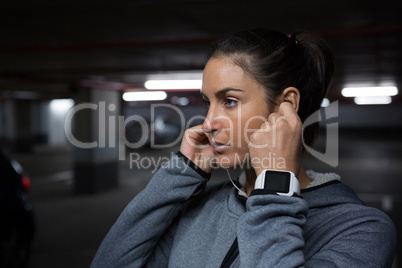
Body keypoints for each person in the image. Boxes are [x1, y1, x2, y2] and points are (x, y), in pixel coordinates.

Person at [91, 29, 397, 267]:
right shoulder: (199, 209)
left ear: (285, 106)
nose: (208, 122)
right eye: (207, 103)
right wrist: (181, 174)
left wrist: (275, 185)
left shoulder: (360, 230)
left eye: (229, 101)